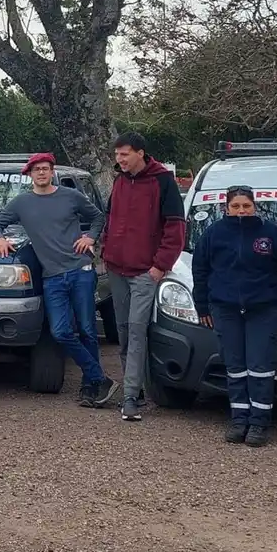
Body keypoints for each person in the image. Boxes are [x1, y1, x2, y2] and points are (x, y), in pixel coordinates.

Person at [0, 152, 116, 408]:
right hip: (52, 277)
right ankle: (99, 377)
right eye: (37, 169)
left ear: (52, 171)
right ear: (30, 174)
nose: (42, 173)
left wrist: (90, 237)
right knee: (60, 331)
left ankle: (91, 386)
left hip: (80, 271)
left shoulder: (71, 196)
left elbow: (98, 217)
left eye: (46, 168)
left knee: (87, 329)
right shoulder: (22, 203)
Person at [191, 186, 277, 447]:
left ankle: (259, 423)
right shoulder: (213, 233)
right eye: (236, 206)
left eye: (246, 206)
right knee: (235, 367)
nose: (242, 211)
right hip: (225, 309)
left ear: (255, 206)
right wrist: (203, 306)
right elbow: (200, 270)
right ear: (226, 208)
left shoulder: (272, 233)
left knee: (260, 368)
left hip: (264, 309)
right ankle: (239, 420)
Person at [101, 132, 185, 423]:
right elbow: (110, 217)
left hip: (144, 273)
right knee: (124, 331)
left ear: (140, 153)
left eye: (124, 154)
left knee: (137, 330)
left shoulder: (163, 181)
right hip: (116, 269)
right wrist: (106, 250)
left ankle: (129, 398)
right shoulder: (119, 181)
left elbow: (175, 228)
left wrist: (159, 266)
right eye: (117, 154)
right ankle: (133, 389)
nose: (119, 159)